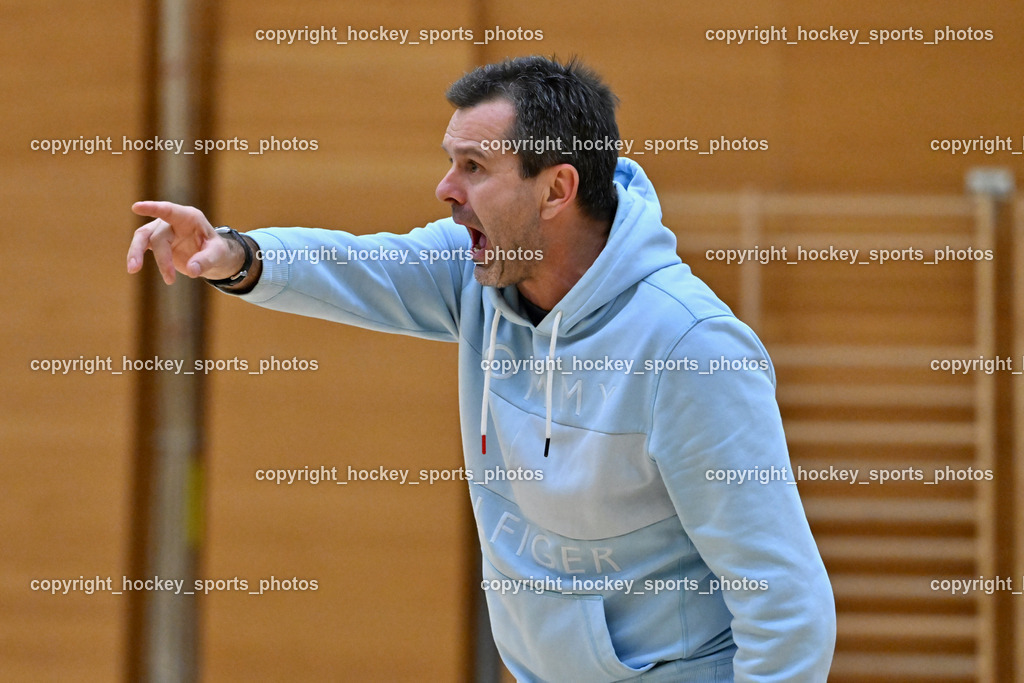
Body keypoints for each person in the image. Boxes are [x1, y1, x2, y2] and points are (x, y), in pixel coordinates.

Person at [127, 55, 835, 682]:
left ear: (555, 190)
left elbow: (784, 600)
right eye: (450, 160)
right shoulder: (479, 273)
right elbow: (359, 263)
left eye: (473, 166)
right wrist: (233, 253)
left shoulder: (691, 348)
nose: (445, 188)